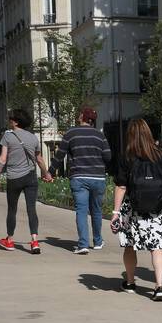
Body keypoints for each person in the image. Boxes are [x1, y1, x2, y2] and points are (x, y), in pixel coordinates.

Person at [110, 119, 162, 300]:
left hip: (133, 208)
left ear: (130, 135)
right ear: (148, 133)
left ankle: (130, 282)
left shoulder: (127, 156)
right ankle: (159, 286)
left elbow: (121, 186)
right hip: (156, 208)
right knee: (157, 247)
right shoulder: (161, 156)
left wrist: (116, 212)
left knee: (130, 246)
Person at [51, 106, 112, 254]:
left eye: (79, 115)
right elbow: (108, 157)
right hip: (97, 177)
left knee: (81, 211)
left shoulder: (71, 133)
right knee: (97, 211)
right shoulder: (100, 135)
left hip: (79, 177)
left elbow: (60, 155)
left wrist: (50, 172)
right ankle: (97, 241)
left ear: (82, 117)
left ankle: (83, 244)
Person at [0, 109, 53, 253]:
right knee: (31, 209)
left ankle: (10, 240)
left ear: (16, 121)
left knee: (12, 210)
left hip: (14, 178)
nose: (9, 121)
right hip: (31, 177)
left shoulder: (7, 137)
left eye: (11, 119)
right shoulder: (33, 138)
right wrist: (46, 174)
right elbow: (39, 159)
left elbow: (2, 158)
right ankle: (34, 241)